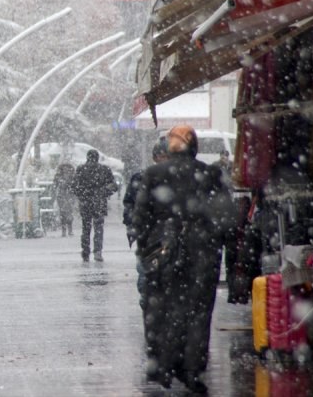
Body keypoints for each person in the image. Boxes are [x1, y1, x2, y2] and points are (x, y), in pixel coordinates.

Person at [130, 125, 235, 393]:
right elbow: (225, 217)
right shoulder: (210, 173)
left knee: (160, 309)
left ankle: (163, 364)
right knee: (198, 311)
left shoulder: (153, 174)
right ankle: (192, 367)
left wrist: (146, 246)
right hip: (202, 252)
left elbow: (140, 217)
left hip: (161, 251)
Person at [122, 138, 168, 295]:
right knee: (145, 276)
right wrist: (132, 225)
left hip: (171, 236)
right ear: (155, 157)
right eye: (161, 155)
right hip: (148, 237)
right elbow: (129, 204)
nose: (164, 159)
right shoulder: (141, 178)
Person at [73, 149, 118, 262]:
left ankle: (85, 251)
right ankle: (97, 252)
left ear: (87, 157)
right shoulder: (104, 170)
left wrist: (82, 195)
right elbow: (114, 185)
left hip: (85, 203)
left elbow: (74, 186)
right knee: (98, 228)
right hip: (99, 203)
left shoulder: (81, 169)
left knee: (86, 228)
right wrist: (104, 192)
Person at [51, 163, 77, 237]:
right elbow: (54, 185)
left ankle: (69, 229)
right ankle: (64, 229)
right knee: (63, 213)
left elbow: (75, 186)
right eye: (64, 169)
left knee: (69, 213)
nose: (66, 170)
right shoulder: (59, 176)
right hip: (62, 196)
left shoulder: (72, 176)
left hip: (69, 196)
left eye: (67, 169)